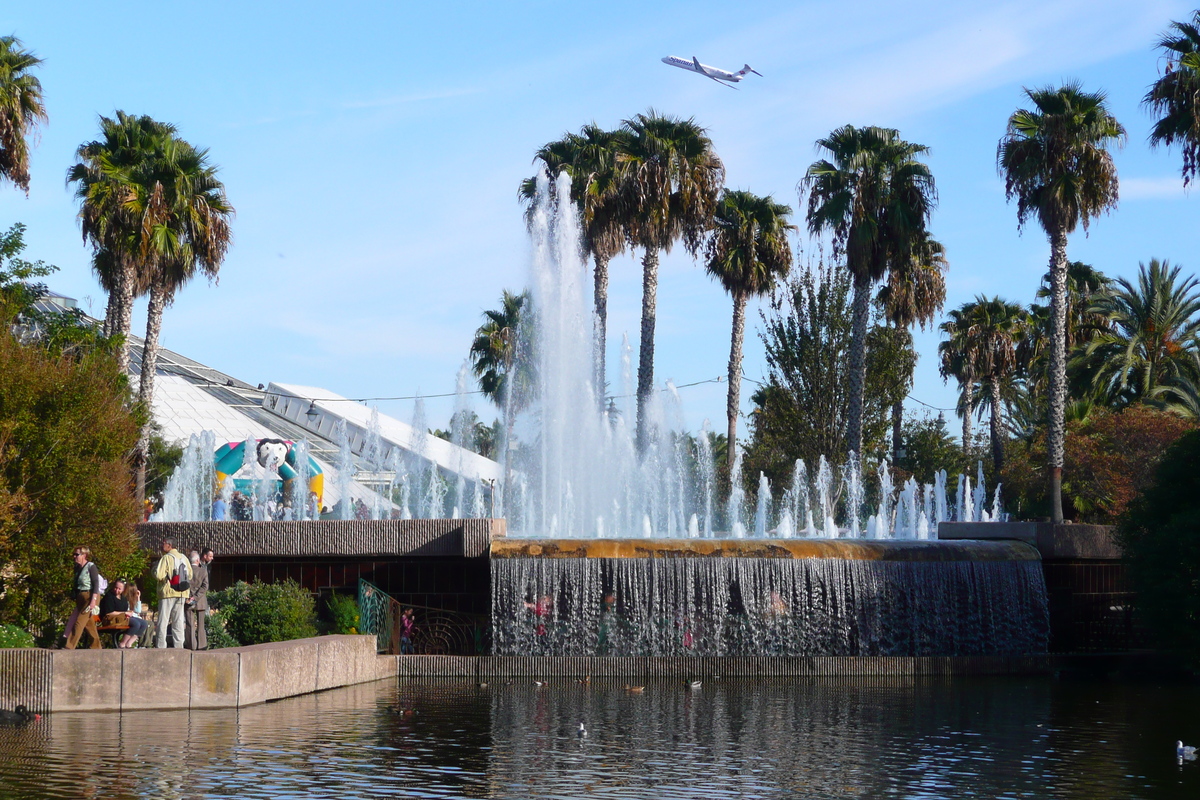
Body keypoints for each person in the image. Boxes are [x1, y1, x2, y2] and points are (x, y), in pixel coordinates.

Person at [154, 539, 191, 648]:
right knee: (178, 621)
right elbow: (190, 575)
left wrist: (154, 570)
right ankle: (179, 646)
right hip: (182, 593)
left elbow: (159, 575)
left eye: (163, 543)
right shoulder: (184, 558)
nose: (162, 545)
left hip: (167, 593)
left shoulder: (166, 558)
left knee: (163, 621)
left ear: (169, 545)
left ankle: (161, 646)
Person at [65, 547, 102, 649]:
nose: (74, 556)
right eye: (74, 554)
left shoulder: (91, 566)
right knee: (89, 624)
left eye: (77, 554)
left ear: (84, 555)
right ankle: (96, 646)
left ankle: (69, 646)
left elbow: (95, 584)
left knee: (79, 622)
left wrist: (93, 601)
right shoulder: (77, 568)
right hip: (80, 597)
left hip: (89, 596)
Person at [100, 578, 148, 648]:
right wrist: (125, 613)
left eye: (119, 589)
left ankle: (129, 643)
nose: (117, 590)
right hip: (111, 619)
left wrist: (129, 613)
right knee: (136, 624)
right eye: (116, 588)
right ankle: (122, 643)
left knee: (144, 623)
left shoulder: (123, 598)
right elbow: (109, 613)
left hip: (122, 618)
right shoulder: (109, 597)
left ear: (123, 589)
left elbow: (127, 610)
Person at [185, 551, 209, 650]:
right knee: (201, 624)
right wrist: (196, 597)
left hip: (187, 600)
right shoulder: (203, 571)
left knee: (189, 624)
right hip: (200, 600)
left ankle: (191, 645)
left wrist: (190, 596)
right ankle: (201, 645)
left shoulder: (185, 571)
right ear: (198, 560)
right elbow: (205, 586)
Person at [124, 582, 155, 648]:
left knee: (151, 624)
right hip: (130, 618)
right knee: (143, 624)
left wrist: (138, 598)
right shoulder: (125, 601)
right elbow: (130, 612)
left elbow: (138, 610)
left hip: (136, 618)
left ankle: (147, 644)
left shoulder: (133, 600)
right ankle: (143, 644)